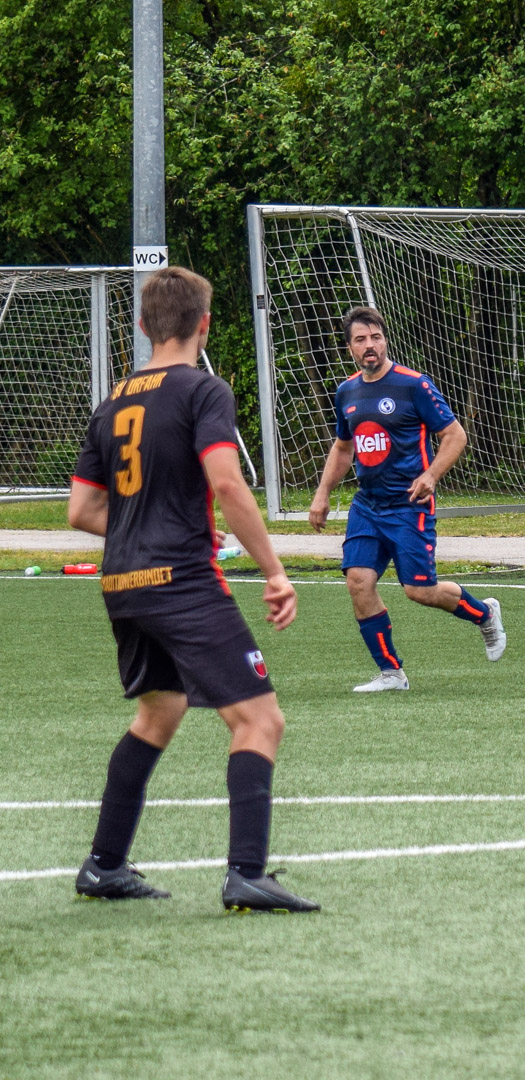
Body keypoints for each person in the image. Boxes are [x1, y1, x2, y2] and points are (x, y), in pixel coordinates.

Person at [66, 266, 317, 912]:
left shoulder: (112, 402)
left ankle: (104, 865)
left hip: (123, 581)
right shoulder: (203, 390)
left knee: (159, 712)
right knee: (259, 718)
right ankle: (246, 874)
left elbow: (82, 511)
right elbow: (227, 482)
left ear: (143, 326)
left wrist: (142, 528)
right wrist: (274, 570)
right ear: (203, 325)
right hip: (180, 580)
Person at [309, 307, 507, 691]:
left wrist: (431, 475)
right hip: (368, 505)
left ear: (385, 340)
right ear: (350, 348)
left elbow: (455, 435)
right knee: (358, 581)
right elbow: (343, 447)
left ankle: (484, 614)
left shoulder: (414, 385)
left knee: (419, 591)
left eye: (376, 337)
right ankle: (391, 674)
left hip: (408, 505)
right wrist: (323, 493)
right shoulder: (347, 391)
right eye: (361, 339)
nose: (370, 345)